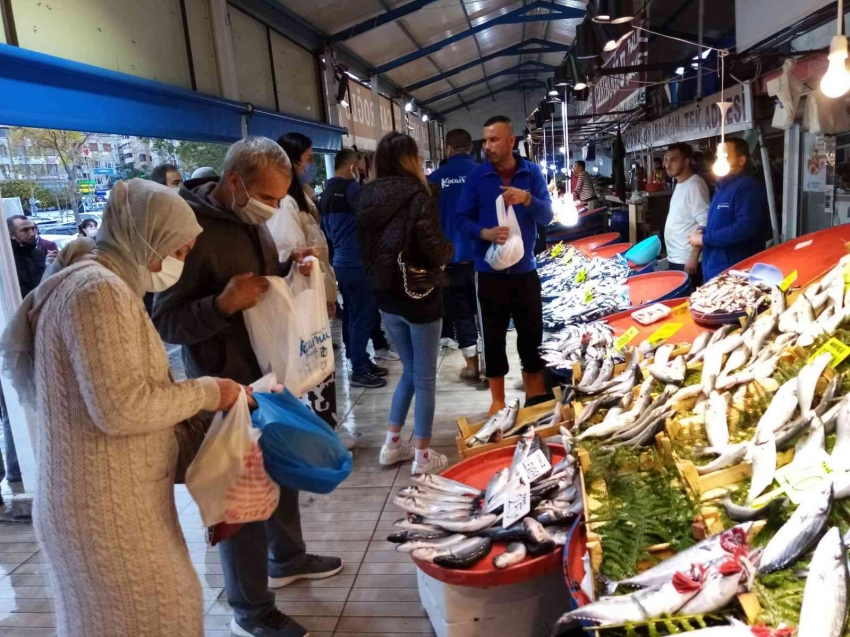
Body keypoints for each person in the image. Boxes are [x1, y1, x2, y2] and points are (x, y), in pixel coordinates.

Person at [0, 179, 246, 637]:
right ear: (146, 237)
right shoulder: (99, 293)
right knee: (157, 617)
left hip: (111, 503)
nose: (181, 262)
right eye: (179, 250)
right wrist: (210, 391)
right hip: (103, 512)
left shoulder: (99, 282)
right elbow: (121, 408)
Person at [152, 137, 341, 637]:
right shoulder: (186, 230)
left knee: (279, 472)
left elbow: (257, 281)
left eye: (282, 199)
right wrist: (221, 305)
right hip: (224, 389)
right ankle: (251, 612)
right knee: (242, 501)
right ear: (236, 183)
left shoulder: (249, 221)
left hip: (268, 377)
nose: (275, 208)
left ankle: (289, 558)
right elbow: (165, 322)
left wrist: (287, 270)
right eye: (270, 197)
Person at [356, 132, 454, 474]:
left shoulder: (365, 196)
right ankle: (422, 457)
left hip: (385, 295)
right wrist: (449, 251)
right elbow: (433, 247)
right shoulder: (418, 195)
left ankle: (391, 446)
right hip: (420, 293)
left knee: (410, 371)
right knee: (425, 378)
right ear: (410, 159)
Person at [456, 116, 553, 415]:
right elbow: (461, 219)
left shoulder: (532, 173)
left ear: (511, 141)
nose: (488, 146)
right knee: (493, 336)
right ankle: (497, 400)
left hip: (525, 271)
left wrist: (528, 200)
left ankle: (535, 395)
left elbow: (548, 215)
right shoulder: (477, 177)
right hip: (489, 274)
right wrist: (483, 233)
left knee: (531, 332)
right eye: (485, 140)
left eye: (494, 139)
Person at [268, 133, 346, 419]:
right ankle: (320, 427)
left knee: (319, 363)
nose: (309, 166)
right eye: (309, 159)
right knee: (312, 365)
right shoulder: (285, 203)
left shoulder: (301, 198)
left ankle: (325, 426)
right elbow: (292, 252)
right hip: (302, 299)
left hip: (314, 291)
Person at [321, 148, 388, 389]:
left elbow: (326, 232)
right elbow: (374, 219)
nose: (362, 170)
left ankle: (359, 360)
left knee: (351, 314)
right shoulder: (352, 189)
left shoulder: (326, 192)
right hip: (359, 262)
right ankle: (359, 369)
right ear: (351, 166)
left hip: (341, 262)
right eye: (360, 166)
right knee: (363, 315)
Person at [427, 129, 481, 382]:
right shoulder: (484, 174)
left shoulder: (434, 180)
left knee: (460, 314)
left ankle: (472, 366)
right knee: (487, 313)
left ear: (447, 149)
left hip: (450, 260)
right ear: (469, 148)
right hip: (485, 257)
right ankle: (493, 365)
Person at [688, 138, 766, 282]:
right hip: (713, 270)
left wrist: (704, 239)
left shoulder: (748, 187)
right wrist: (703, 231)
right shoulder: (721, 188)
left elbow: (745, 228)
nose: (719, 161)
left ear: (741, 160)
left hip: (734, 274)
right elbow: (722, 223)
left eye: (725, 157)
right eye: (718, 157)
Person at [663, 142, 710, 292]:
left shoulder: (695, 185)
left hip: (686, 261)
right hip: (676, 257)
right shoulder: (681, 183)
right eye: (666, 159)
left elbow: (704, 221)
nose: (667, 165)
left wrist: (693, 257)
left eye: (674, 160)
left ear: (687, 161)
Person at [8, 215, 46, 298]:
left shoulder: (37, 254)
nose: (32, 233)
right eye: (25, 230)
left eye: (32, 228)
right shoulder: (7, 259)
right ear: (12, 235)